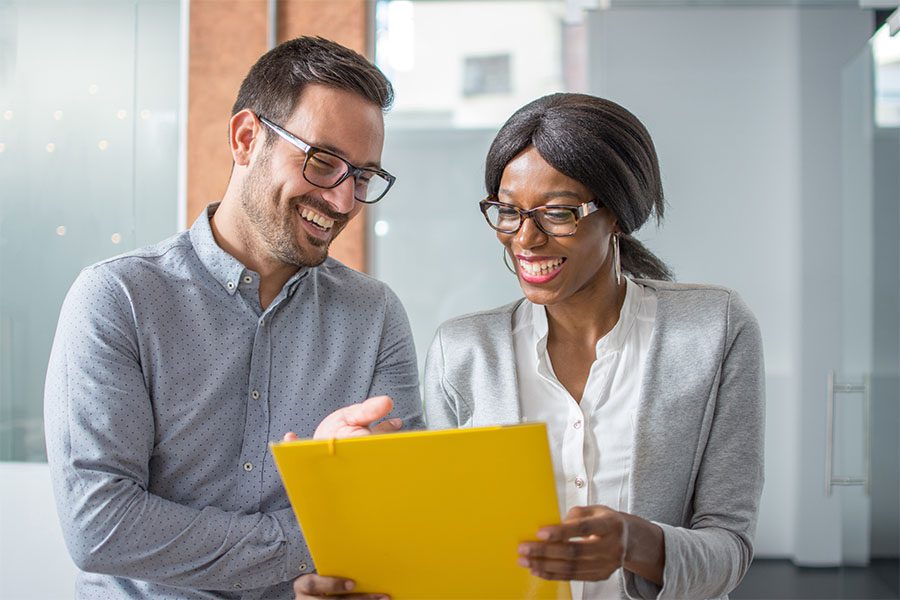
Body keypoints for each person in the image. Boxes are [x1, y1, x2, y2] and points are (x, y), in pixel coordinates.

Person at [295, 93, 764, 600]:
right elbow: (451, 546)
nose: (526, 238)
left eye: (559, 213)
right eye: (508, 212)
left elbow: (729, 547)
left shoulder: (714, 330)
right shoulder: (464, 351)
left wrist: (636, 542)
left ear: (619, 215)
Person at [44, 36, 424, 599]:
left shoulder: (375, 316)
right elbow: (100, 526)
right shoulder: (117, 299)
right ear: (247, 138)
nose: (344, 202)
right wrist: (318, 535)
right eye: (323, 163)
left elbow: (398, 515)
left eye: (363, 178)